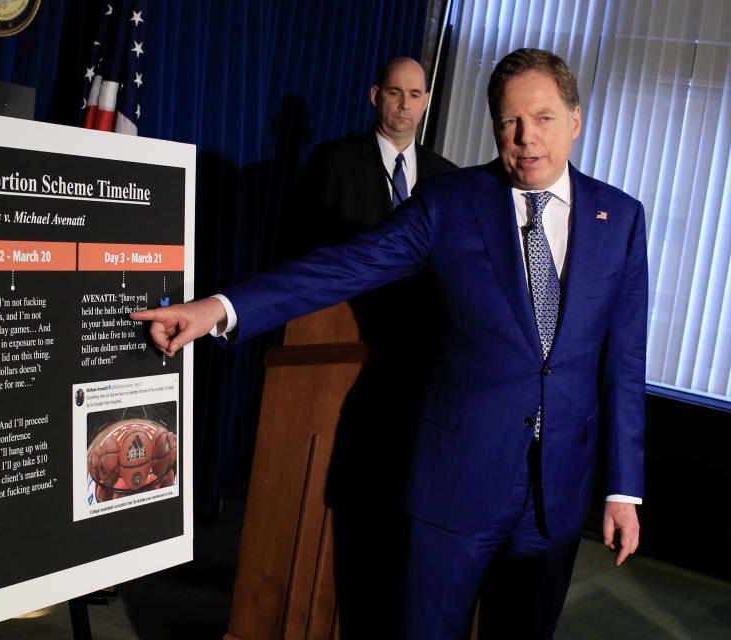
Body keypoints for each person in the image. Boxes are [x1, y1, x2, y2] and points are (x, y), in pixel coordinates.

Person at [132, 48, 646, 639]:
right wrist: (219, 309)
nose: (527, 138)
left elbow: (624, 367)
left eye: (545, 118)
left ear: (575, 120)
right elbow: (342, 267)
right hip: (456, 488)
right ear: (494, 126)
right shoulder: (451, 204)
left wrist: (622, 489)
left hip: (556, 495)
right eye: (510, 121)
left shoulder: (621, 219)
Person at [288, 57, 457, 638]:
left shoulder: (446, 178)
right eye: (394, 92)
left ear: (427, 100)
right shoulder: (332, 162)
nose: (404, 104)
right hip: (332, 353)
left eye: (415, 94)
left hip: (417, 371)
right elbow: (302, 259)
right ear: (374, 95)